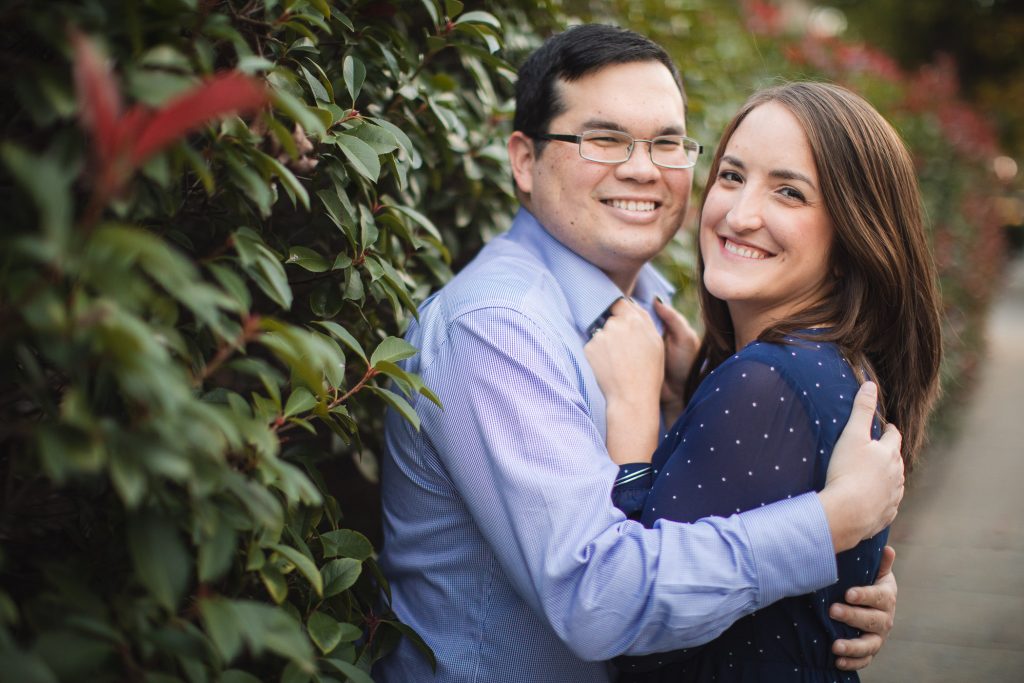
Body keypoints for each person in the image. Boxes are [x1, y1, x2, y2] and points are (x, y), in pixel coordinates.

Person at [374, 25, 902, 683]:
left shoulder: (653, 315)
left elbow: (696, 510)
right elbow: (602, 601)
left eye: (667, 143)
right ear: (524, 160)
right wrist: (825, 529)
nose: (643, 168)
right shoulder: (500, 330)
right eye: (605, 139)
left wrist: (827, 597)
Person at [586, 81, 942, 681]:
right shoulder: (831, 363)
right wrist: (683, 403)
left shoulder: (767, 382)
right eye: (731, 176)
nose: (740, 214)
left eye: (789, 192)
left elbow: (632, 622)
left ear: (852, 232)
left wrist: (631, 410)